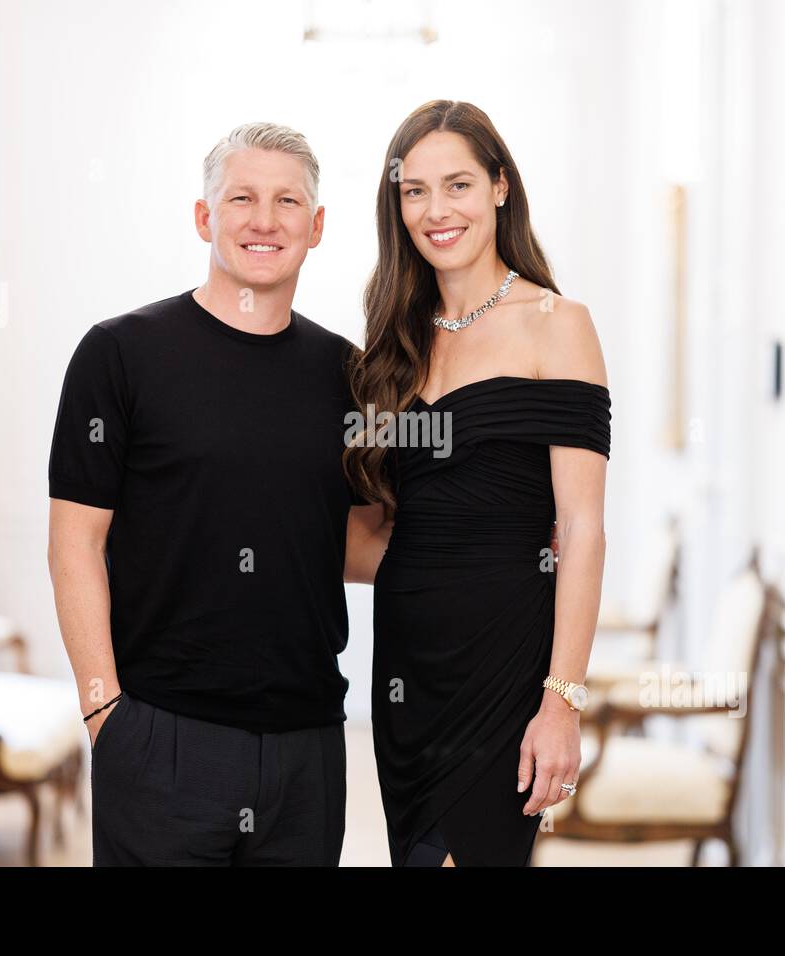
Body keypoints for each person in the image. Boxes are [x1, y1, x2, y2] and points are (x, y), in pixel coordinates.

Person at [47, 122, 371, 866]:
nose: (265, 220)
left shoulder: (350, 376)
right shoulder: (119, 355)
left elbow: (345, 542)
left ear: (316, 226)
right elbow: (75, 543)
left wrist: (500, 542)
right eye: (242, 198)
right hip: (161, 736)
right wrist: (105, 713)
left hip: (308, 747)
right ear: (204, 217)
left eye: (288, 201)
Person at [344, 100, 611, 867]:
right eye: (414, 191)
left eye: (457, 184)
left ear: (499, 187)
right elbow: (377, 530)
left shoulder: (556, 322)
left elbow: (583, 529)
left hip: (506, 667)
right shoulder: (391, 340)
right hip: (405, 666)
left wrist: (562, 701)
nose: (436, 210)